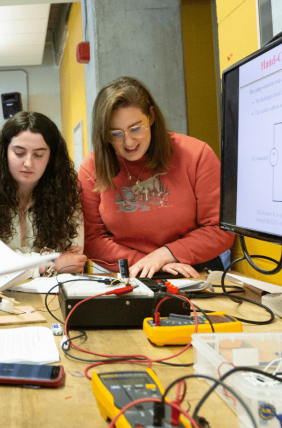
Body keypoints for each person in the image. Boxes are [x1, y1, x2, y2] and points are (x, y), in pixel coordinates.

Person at [79, 77, 234, 279]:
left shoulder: (196, 154)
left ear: (151, 117)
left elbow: (219, 229)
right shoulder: (92, 167)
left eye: (136, 128)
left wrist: (164, 256)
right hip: (131, 274)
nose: (128, 142)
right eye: (115, 134)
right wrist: (147, 264)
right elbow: (92, 239)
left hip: (193, 271)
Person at [0, 112, 87, 274]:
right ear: (4, 152)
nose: (28, 163)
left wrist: (13, 261)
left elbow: (73, 260)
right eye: (19, 153)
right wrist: (49, 263)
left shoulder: (64, 187)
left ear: (52, 158)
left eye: (38, 155)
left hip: (51, 292)